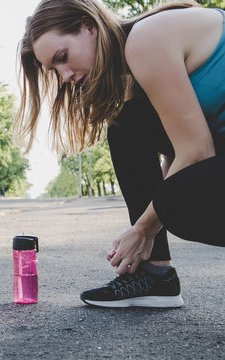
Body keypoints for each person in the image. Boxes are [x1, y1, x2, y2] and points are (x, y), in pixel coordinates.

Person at [16, 0, 225, 308]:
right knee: (129, 125)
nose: (64, 76)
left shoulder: (146, 40)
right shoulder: (136, 70)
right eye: (54, 69)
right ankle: (155, 275)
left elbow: (196, 153)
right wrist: (154, 216)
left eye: (63, 57)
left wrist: (143, 230)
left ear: (89, 27)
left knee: (173, 202)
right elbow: (178, 155)